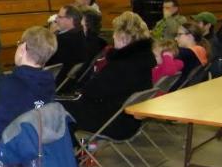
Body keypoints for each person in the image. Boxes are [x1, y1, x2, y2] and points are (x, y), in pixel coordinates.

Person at [61, 11, 155, 143]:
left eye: (115, 33)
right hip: (128, 121)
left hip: (114, 123)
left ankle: (68, 151)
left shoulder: (122, 65)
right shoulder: (143, 61)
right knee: (63, 108)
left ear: (123, 37)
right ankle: (76, 148)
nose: (113, 37)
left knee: (56, 109)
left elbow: (90, 91)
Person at [0, 26, 57, 155]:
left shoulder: (2, 83)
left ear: (23, 48)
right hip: (32, 147)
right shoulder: (49, 83)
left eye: (19, 43)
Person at [46, 4, 86, 85]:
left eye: (60, 17)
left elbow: (44, 59)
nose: (56, 19)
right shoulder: (81, 33)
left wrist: (50, 35)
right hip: (68, 81)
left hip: (55, 81)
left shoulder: (63, 39)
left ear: (70, 20)